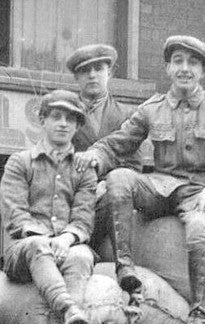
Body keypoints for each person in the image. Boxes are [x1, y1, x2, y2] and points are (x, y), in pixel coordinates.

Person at [91, 35, 205, 324]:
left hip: (199, 190)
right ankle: (125, 270)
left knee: (201, 226)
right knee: (120, 177)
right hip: (160, 187)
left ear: (203, 71)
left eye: (192, 63)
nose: (184, 69)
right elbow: (118, 144)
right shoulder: (152, 108)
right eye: (178, 62)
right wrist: (94, 155)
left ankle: (200, 317)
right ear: (167, 68)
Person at [0, 89, 98, 324]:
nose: (63, 124)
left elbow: (84, 218)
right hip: (23, 249)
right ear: (42, 120)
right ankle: (67, 308)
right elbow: (15, 214)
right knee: (37, 246)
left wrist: (66, 239)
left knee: (82, 256)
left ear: (77, 126)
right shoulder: (20, 162)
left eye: (71, 119)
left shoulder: (84, 169)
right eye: (56, 116)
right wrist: (46, 239)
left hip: (64, 245)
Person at [65, 43, 140, 257]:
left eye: (98, 69)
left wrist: (107, 184)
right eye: (84, 71)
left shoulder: (127, 116)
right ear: (76, 78)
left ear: (110, 73)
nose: (92, 75)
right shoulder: (64, 115)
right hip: (72, 198)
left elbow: (134, 166)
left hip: (109, 196)